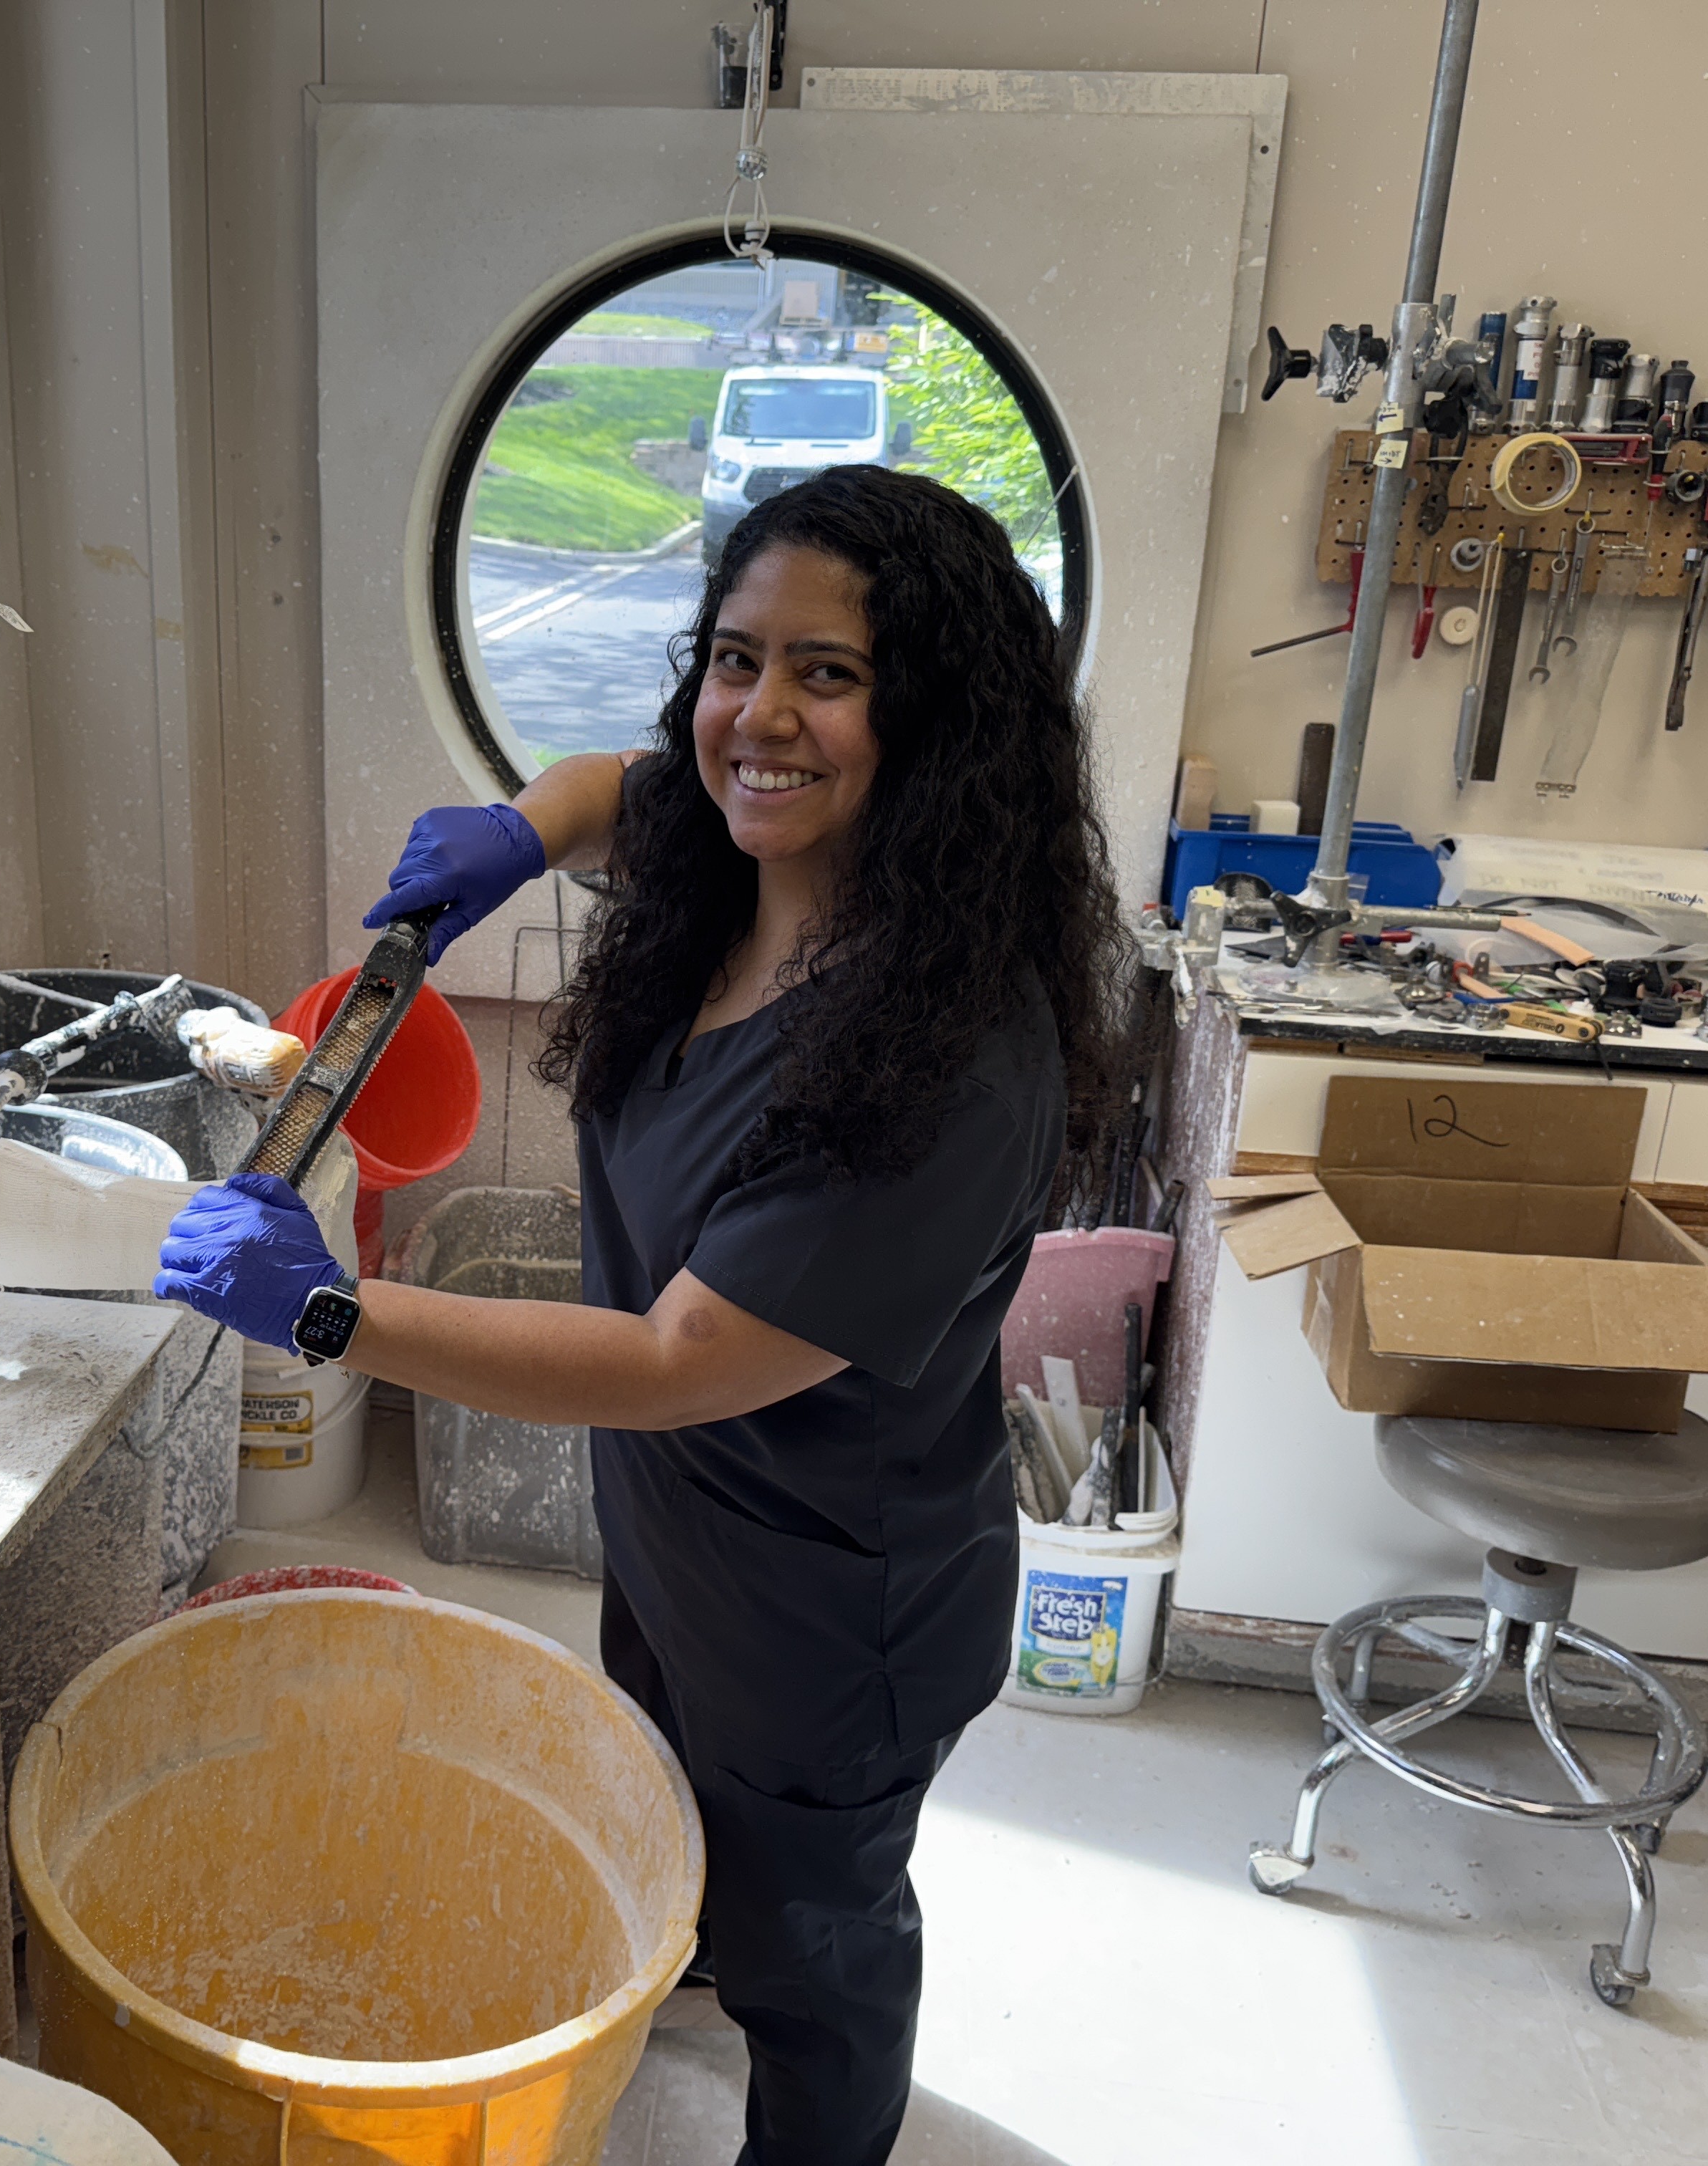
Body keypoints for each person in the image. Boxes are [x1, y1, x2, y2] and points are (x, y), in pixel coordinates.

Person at [155, 464, 1129, 2166]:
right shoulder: (739, 867)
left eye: (829, 675)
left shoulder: (954, 1060)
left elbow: (679, 1361)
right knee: (671, 1818)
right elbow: (619, 783)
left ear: (942, 724)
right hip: (685, 1550)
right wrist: (520, 832)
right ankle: (682, 1961)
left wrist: (333, 1316)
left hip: (838, 1615)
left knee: (816, 1956)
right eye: (732, 658)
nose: (760, 716)